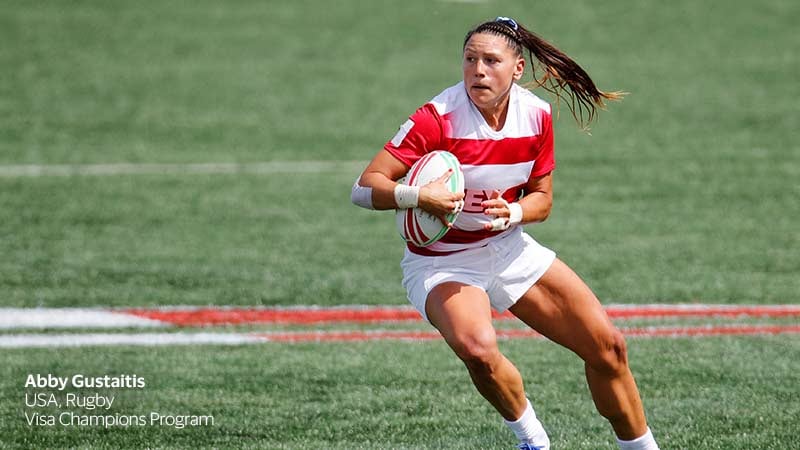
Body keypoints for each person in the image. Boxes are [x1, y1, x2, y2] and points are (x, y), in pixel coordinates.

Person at [350, 16, 659, 450]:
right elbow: (364, 188)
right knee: (477, 349)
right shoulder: (436, 118)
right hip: (443, 261)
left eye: (491, 61)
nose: (478, 69)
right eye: (470, 59)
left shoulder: (536, 116)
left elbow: (542, 200)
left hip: (508, 248)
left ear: (516, 69)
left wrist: (513, 212)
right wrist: (418, 196)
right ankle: (534, 441)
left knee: (608, 348)